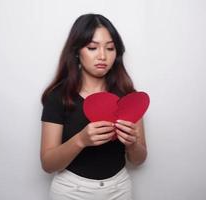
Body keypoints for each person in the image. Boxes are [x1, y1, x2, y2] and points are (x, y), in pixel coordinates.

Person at [40, 13, 147, 200]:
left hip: (119, 189)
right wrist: (81, 140)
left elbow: (138, 160)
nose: (102, 56)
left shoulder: (129, 97)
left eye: (110, 48)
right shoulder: (58, 97)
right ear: (76, 51)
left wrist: (132, 143)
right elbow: (48, 165)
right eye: (92, 47)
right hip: (71, 191)